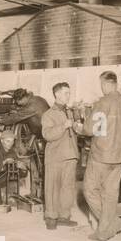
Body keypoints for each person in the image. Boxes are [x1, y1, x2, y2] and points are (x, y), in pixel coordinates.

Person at [76, 71, 121, 241]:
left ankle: (112, 223)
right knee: (110, 194)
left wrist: (78, 126)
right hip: (120, 156)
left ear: (105, 84)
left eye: (101, 84)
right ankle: (105, 230)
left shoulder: (103, 102)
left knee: (89, 190)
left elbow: (90, 129)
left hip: (101, 155)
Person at [39, 82, 80, 230]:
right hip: (55, 157)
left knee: (67, 188)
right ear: (57, 94)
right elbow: (47, 135)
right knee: (52, 188)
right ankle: (51, 217)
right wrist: (64, 126)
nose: (68, 96)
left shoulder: (69, 112)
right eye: (65, 93)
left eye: (69, 93)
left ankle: (64, 216)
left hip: (70, 155)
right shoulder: (48, 114)